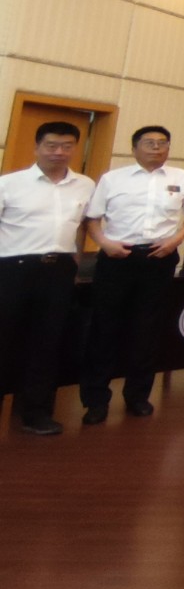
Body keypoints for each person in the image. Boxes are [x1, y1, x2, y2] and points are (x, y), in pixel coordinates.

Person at [80, 125, 184, 423]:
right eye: (149, 143)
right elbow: (92, 219)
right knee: (104, 329)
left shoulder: (180, 177)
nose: (157, 148)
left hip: (159, 257)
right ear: (134, 148)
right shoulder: (113, 179)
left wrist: (175, 240)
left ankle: (138, 396)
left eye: (163, 143)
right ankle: (96, 401)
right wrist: (104, 243)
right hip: (117, 257)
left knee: (147, 330)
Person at [0, 122, 95, 435]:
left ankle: (36, 413)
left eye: (67, 146)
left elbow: (85, 226)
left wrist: (75, 259)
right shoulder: (9, 184)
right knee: (4, 339)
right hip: (13, 268)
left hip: (58, 270)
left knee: (48, 341)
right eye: (51, 145)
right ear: (37, 147)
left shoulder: (85, 185)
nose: (59, 152)